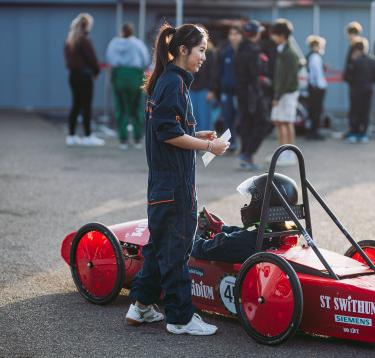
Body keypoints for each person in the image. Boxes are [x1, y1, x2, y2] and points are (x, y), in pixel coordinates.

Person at [125, 23, 229, 336]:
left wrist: (196, 136)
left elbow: (168, 130)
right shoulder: (173, 83)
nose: (203, 58)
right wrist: (210, 146)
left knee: (161, 247)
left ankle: (141, 305)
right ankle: (181, 318)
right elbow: (168, 133)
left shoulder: (169, 80)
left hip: (165, 182)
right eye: (200, 51)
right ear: (183, 50)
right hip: (174, 184)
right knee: (176, 251)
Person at [192, 173, 299, 263]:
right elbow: (248, 234)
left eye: (252, 199)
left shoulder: (240, 242)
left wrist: (191, 236)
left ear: (261, 204)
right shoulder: (284, 234)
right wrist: (221, 228)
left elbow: (202, 250)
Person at [63, 13, 105, 147]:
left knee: (75, 105)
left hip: (73, 76)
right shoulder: (85, 40)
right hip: (85, 76)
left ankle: (71, 136)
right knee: (86, 106)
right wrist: (97, 71)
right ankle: (88, 136)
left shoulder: (69, 40)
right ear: (86, 25)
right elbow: (92, 58)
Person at [106, 22, 149, 150]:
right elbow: (145, 60)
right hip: (135, 76)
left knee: (121, 108)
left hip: (119, 75)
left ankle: (123, 139)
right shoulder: (137, 44)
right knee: (136, 108)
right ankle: (137, 138)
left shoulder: (113, 44)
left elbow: (109, 58)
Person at [234, 20, 271, 171]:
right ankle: (248, 154)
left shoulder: (240, 49)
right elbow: (255, 72)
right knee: (263, 122)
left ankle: (245, 154)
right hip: (252, 94)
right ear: (256, 34)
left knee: (246, 123)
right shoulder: (254, 51)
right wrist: (263, 64)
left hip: (242, 92)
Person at [270, 19, 300, 166]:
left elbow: (287, 78)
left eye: (274, 34)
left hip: (287, 93)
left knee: (287, 122)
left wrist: (278, 95)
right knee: (279, 121)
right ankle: (282, 152)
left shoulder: (288, 52)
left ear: (282, 35)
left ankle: (289, 154)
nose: (272, 37)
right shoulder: (284, 49)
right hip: (283, 92)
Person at [343, 37, 375, 144]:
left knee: (355, 110)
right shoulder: (373, 60)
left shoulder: (354, 61)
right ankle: (363, 133)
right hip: (368, 89)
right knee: (365, 111)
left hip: (356, 89)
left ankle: (353, 132)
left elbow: (347, 77)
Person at [218, 25, 242, 153]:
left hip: (242, 93)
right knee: (227, 119)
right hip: (227, 92)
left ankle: (245, 149)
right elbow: (220, 72)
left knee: (243, 120)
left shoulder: (244, 52)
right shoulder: (225, 53)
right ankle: (230, 145)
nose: (234, 37)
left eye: (237, 34)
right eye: (232, 34)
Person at [190, 28, 219, 132]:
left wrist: (212, 90)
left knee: (205, 118)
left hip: (205, 89)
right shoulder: (190, 51)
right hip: (191, 88)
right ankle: (195, 143)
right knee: (193, 118)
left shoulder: (210, 52)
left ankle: (208, 144)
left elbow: (213, 72)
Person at [305, 35, 327, 140]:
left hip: (314, 87)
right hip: (316, 88)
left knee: (313, 110)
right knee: (315, 111)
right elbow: (316, 73)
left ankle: (312, 131)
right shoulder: (315, 57)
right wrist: (318, 85)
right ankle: (313, 132)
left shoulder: (311, 56)